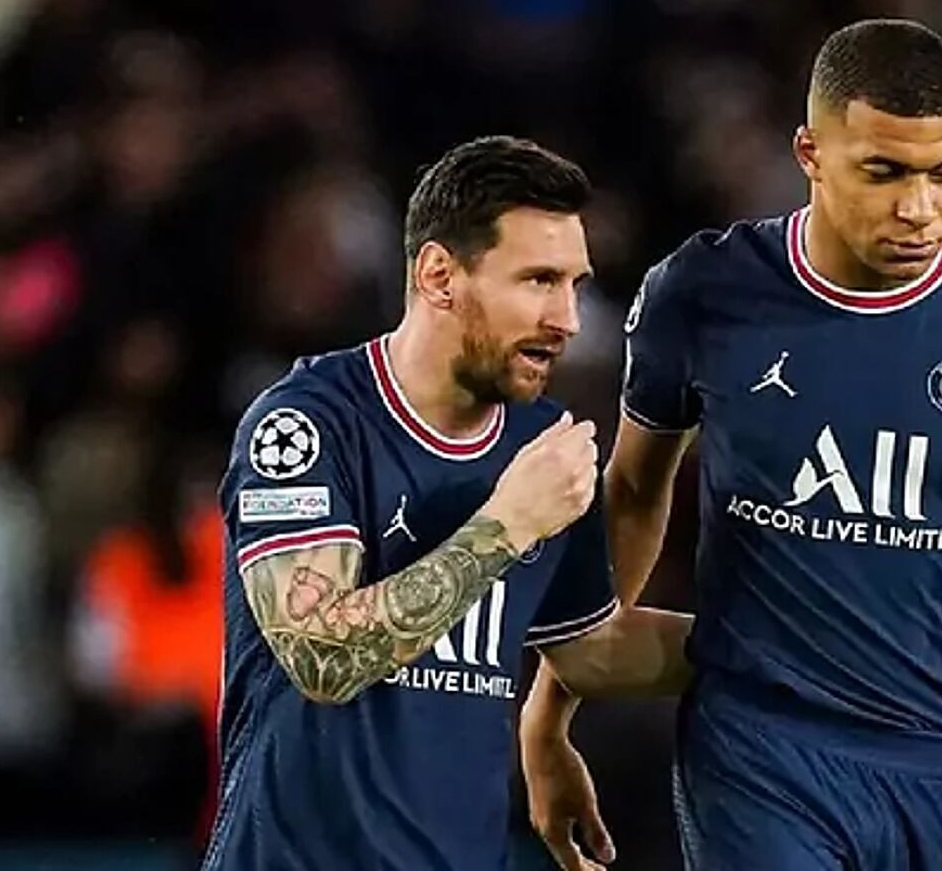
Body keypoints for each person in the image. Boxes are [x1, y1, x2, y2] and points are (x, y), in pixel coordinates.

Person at [522, 20, 942, 871]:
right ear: (811, 154)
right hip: (760, 753)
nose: (919, 208)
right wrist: (551, 713)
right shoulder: (705, 293)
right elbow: (633, 496)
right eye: (884, 172)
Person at [202, 135, 692, 871]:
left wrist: (793, 649)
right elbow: (321, 658)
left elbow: (590, 650)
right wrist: (507, 525)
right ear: (438, 276)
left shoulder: (539, 441)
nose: (567, 318)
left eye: (575, 284)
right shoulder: (308, 424)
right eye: (538, 280)